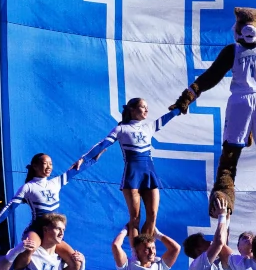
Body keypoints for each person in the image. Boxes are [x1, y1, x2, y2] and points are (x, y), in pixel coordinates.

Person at [76, 98, 181, 239]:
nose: (146, 110)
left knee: (152, 216)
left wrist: (186, 102)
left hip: (149, 174)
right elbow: (102, 144)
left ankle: (146, 248)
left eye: (147, 107)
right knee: (135, 217)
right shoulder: (121, 129)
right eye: (143, 107)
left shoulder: (148, 127)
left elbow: (168, 116)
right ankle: (135, 254)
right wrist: (84, 158)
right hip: (132, 176)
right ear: (132, 109)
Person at [0, 153, 79, 264]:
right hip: (37, 230)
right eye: (45, 163)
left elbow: (81, 166)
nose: (49, 167)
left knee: (75, 262)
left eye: (51, 164)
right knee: (30, 248)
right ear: (35, 166)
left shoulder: (56, 182)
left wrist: (98, 152)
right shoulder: (28, 187)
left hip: (53, 231)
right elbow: (10, 208)